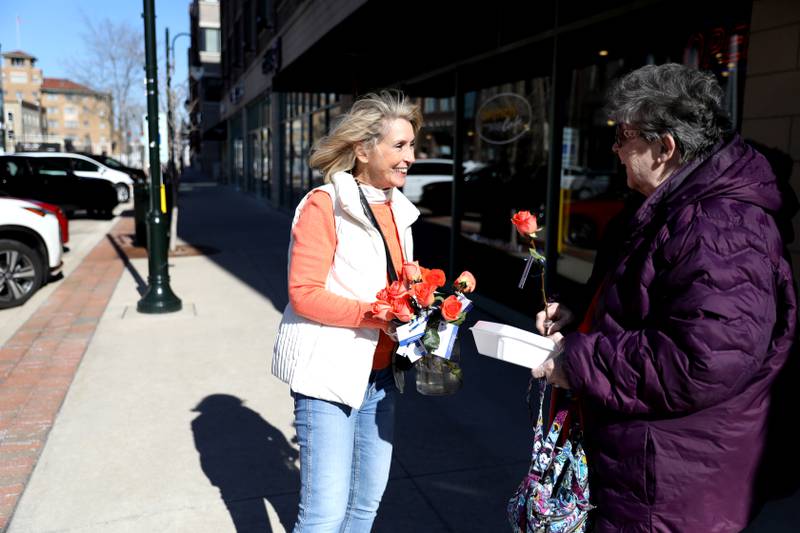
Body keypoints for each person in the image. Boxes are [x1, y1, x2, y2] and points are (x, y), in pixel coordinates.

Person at [532, 63, 797, 532]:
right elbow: (649, 302)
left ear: (665, 146)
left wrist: (580, 358)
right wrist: (583, 314)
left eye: (623, 137)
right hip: (649, 465)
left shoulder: (720, 224)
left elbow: (703, 359)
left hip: (672, 480)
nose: (615, 149)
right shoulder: (672, 206)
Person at [272, 90, 422, 532]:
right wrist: (376, 313)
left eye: (412, 145)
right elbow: (304, 293)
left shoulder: (398, 209)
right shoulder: (325, 204)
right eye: (399, 145)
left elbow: (394, 280)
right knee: (323, 517)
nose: (410, 157)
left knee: (364, 506)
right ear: (362, 149)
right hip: (329, 379)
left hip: (381, 377)